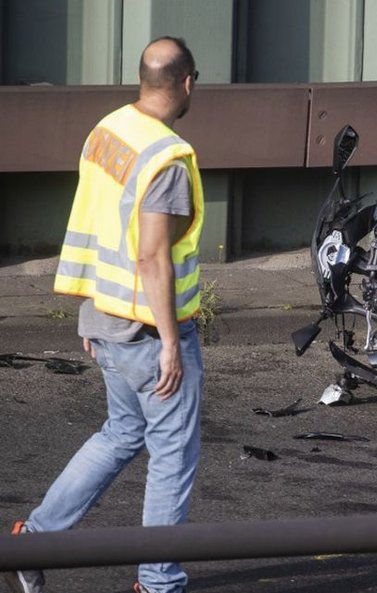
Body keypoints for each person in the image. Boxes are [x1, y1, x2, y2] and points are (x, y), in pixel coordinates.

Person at [4, 36, 204, 593]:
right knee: (172, 454)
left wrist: (89, 311)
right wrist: (170, 341)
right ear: (188, 82)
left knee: (121, 432)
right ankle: (159, 582)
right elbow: (150, 254)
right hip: (146, 330)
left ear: (143, 79)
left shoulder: (108, 130)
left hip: (106, 320)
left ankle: (34, 539)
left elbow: (94, 220)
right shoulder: (166, 157)